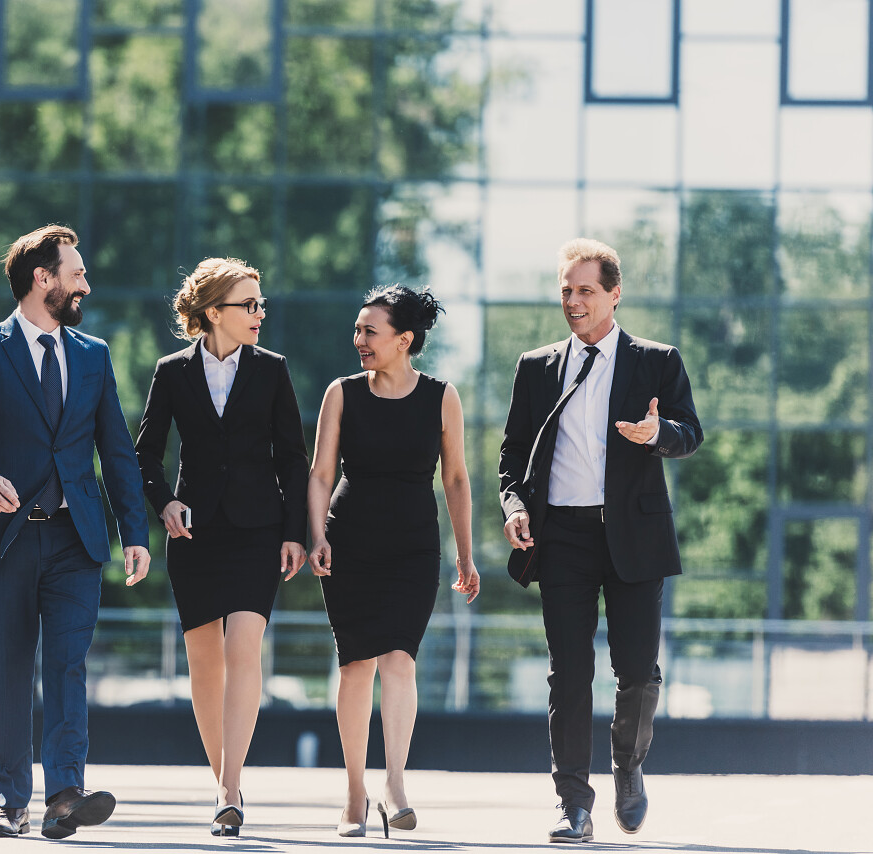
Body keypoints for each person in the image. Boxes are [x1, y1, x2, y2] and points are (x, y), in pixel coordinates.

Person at [0, 224, 151, 840]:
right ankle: (12, 802)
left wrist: (134, 531)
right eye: (76, 273)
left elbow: (117, 449)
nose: (86, 283)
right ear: (43, 279)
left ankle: (63, 794)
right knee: (10, 668)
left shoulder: (93, 355)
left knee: (67, 663)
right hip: (6, 539)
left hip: (75, 538)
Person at [498, 238, 702, 843]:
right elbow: (511, 455)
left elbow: (690, 432)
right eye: (566, 289)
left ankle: (629, 765)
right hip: (561, 536)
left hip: (635, 535)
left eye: (586, 290)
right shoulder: (536, 367)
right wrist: (513, 506)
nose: (573, 301)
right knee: (569, 672)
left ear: (615, 294)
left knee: (637, 670)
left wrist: (656, 432)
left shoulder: (656, 359)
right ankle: (573, 803)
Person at [134, 257, 309, 837]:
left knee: (243, 650)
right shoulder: (172, 371)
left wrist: (294, 533)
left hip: (258, 531)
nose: (260, 314)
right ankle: (223, 786)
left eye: (261, 304)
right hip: (195, 533)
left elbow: (292, 459)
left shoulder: (273, 370)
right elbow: (146, 453)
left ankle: (230, 789)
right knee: (204, 664)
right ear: (214, 313)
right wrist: (164, 503)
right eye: (248, 304)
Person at [307, 285, 480, 839]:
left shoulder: (441, 397)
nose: (359, 340)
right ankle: (355, 794)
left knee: (399, 660)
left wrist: (466, 553)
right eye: (357, 330)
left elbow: (455, 478)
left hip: (412, 547)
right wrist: (316, 537)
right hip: (349, 541)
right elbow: (319, 475)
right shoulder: (342, 393)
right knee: (356, 663)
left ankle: (395, 786)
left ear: (405, 340)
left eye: (370, 331)